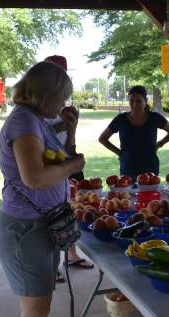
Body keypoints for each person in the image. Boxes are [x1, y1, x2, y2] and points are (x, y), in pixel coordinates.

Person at [0, 61, 84, 317]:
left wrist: (70, 131)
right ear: (45, 95)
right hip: (24, 230)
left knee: (39, 307)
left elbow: (58, 158)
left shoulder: (37, 121)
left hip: (39, 225)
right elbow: (34, 177)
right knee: (35, 310)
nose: (63, 104)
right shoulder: (24, 123)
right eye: (62, 97)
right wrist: (74, 167)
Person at [44, 55, 94, 283]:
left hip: (66, 160)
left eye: (62, 74)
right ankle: (52, 263)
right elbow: (40, 138)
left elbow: (68, 144)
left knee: (71, 209)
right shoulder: (41, 108)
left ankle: (72, 255)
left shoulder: (63, 106)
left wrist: (71, 125)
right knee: (49, 215)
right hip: (49, 166)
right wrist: (65, 123)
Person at [98, 85, 169, 181]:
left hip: (150, 169)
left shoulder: (154, 118)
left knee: (150, 196)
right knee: (128, 195)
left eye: (139, 101)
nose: (135, 104)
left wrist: (159, 144)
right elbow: (102, 138)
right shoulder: (121, 119)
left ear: (146, 101)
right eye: (131, 101)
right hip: (128, 169)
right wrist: (119, 153)